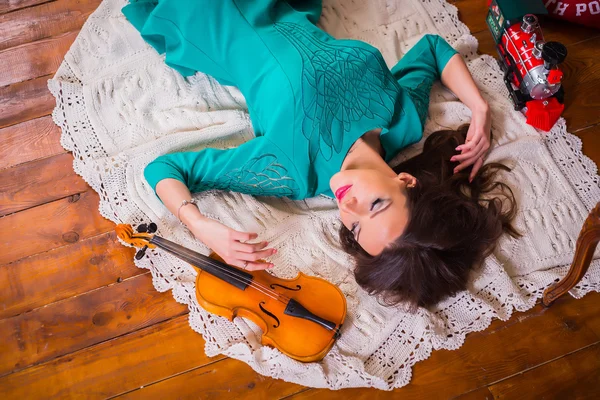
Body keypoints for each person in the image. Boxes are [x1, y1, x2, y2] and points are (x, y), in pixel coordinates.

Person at [122, 0, 518, 310]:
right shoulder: (404, 121)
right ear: (406, 181)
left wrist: (198, 223)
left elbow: (166, 168)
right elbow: (432, 50)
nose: (350, 208)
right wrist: (479, 108)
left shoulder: (290, 171)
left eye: (356, 229)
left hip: (209, 14)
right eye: (376, 205)